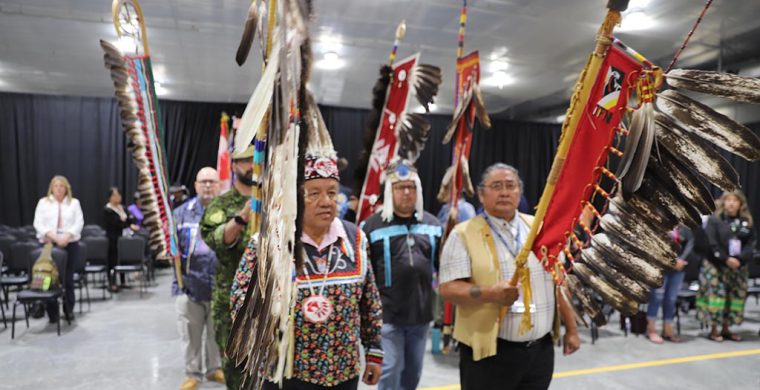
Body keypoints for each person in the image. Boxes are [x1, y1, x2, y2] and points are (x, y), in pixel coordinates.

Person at [438, 163, 580, 390]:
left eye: (510, 186)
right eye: (496, 186)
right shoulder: (463, 233)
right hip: (488, 354)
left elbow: (558, 282)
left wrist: (571, 329)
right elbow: (447, 289)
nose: (504, 192)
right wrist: (490, 294)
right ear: (482, 195)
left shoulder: (539, 228)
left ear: (519, 193)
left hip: (539, 351)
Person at [361, 160, 442, 390]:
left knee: (412, 373)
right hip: (387, 317)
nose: (406, 193)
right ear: (389, 191)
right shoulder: (372, 226)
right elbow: (365, 275)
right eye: (399, 187)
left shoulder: (433, 224)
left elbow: (442, 266)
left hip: (421, 315)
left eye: (411, 187)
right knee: (390, 369)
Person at [200, 145, 254, 389]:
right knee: (235, 369)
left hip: (269, 299)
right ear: (235, 166)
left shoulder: (277, 201)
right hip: (231, 301)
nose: (254, 165)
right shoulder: (221, 205)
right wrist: (243, 216)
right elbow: (216, 239)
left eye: (257, 159)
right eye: (247, 161)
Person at [174, 167, 225, 390]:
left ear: (219, 185)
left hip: (219, 285)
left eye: (211, 181)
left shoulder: (227, 212)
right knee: (190, 334)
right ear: (195, 186)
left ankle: (214, 369)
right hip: (189, 286)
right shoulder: (181, 213)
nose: (207, 185)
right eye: (203, 181)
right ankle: (192, 373)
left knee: (217, 334)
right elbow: (172, 248)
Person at [697, 190, 756, 342]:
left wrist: (739, 260)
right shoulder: (715, 220)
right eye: (728, 200)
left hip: (738, 267)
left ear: (740, 203)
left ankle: (726, 328)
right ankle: (714, 330)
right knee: (717, 297)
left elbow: (750, 244)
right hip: (716, 266)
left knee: (732, 297)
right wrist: (726, 259)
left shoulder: (746, 222)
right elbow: (711, 243)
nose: (731, 203)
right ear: (723, 202)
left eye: (735, 200)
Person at [33, 175, 84, 322]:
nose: (59, 189)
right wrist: (54, 237)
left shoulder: (74, 203)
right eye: (56, 186)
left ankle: (68, 310)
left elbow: (79, 222)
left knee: (67, 279)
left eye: (62, 186)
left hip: (70, 244)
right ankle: (52, 314)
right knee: (50, 278)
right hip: (49, 244)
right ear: (51, 188)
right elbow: (38, 223)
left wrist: (66, 236)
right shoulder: (44, 203)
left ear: (67, 188)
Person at [646, 224, 693, 344]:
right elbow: (652, 242)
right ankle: (651, 329)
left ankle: (668, 329)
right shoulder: (660, 220)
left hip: (679, 268)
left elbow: (690, 242)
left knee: (671, 299)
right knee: (656, 297)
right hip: (660, 266)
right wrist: (669, 261)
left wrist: (681, 260)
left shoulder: (684, 225)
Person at [103, 187, 140, 292]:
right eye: (114, 195)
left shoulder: (122, 207)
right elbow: (116, 223)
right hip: (113, 238)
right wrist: (125, 222)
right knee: (113, 260)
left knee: (123, 259)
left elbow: (129, 219)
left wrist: (126, 221)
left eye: (119, 195)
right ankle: (112, 282)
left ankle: (123, 281)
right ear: (110, 197)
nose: (117, 197)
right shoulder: (107, 209)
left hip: (123, 237)